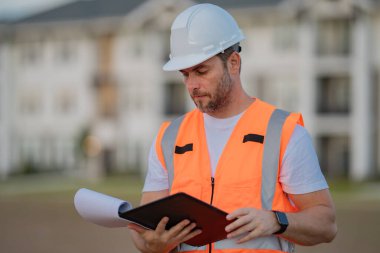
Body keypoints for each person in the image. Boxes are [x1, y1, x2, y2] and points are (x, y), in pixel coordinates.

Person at [128, 3, 337, 253]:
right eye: (185, 74)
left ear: (234, 63)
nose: (192, 85)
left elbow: (326, 224)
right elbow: (143, 237)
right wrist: (154, 244)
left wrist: (276, 220)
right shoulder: (169, 138)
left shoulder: (283, 132)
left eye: (201, 71)